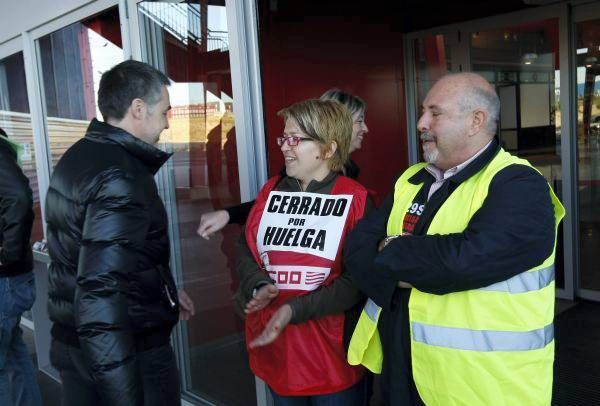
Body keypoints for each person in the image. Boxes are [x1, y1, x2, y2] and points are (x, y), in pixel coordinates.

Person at [344, 72, 565, 405]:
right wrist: (411, 261)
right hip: (403, 373)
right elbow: (356, 250)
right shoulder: (411, 179)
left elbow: (460, 262)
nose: (421, 122)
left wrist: (390, 249)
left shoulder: (519, 184)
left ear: (476, 121)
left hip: (483, 386)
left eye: (435, 112)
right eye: (423, 111)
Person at [45, 60, 195, 406]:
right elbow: (100, 290)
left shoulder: (80, 156)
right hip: (123, 353)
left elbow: (101, 257)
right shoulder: (120, 176)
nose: (167, 122)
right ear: (138, 109)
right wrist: (122, 393)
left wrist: (163, 289)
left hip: (79, 346)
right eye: (165, 111)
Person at [238, 99, 370, 404]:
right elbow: (245, 248)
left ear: (328, 148)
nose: (285, 147)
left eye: (296, 139)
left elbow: (357, 282)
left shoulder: (356, 199)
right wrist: (257, 283)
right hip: (278, 353)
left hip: (331, 357)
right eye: (283, 138)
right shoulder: (270, 191)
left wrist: (293, 310)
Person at [197, 89, 369, 239]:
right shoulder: (298, 174)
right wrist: (229, 214)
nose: (365, 128)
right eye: (359, 121)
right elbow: (273, 207)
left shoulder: (351, 171)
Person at [0, 127, 42, 406]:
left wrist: (7, 256)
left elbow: (18, 197)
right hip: (9, 281)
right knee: (12, 358)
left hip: (5, 280)